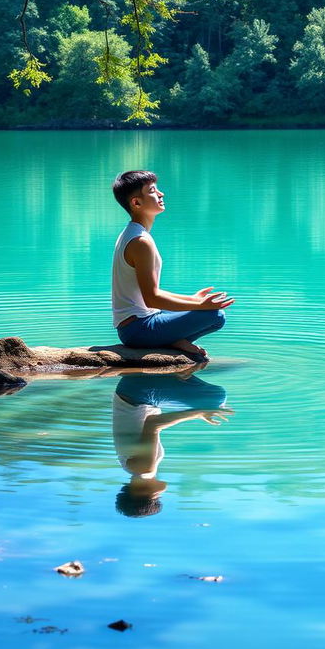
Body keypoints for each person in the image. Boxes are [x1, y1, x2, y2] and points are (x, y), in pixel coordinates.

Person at [111, 170, 234, 360]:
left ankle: (173, 340)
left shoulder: (132, 233)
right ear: (136, 203)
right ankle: (171, 341)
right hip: (139, 330)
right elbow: (152, 299)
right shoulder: (140, 241)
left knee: (209, 311)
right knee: (215, 316)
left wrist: (194, 300)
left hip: (136, 325)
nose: (161, 194)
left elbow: (153, 293)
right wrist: (201, 306)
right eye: (152, 190)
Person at [112, 371, 232, 516]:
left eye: (157, 498)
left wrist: (198, 413)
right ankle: (173, 374)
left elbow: (153, 423)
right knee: (207, 402)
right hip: (135, 391)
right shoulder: (132, 468)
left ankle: (175, 372)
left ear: (145, 494)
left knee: (214, 400)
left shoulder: (144, 469)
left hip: (139, 391)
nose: (162, 494)